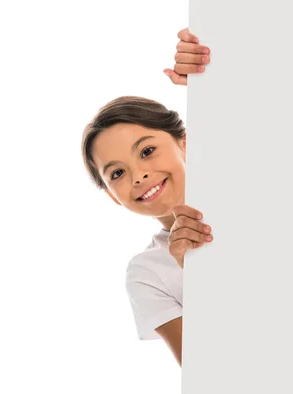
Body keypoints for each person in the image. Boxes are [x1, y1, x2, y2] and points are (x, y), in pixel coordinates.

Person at [81, 28, 211, 367]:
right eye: (117, 174)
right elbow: (204, 372)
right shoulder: (146, 274)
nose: (138, 175)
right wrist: (199, 270)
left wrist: (213, 75)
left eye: (148, 150)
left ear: (185, 142)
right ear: (113, 197)